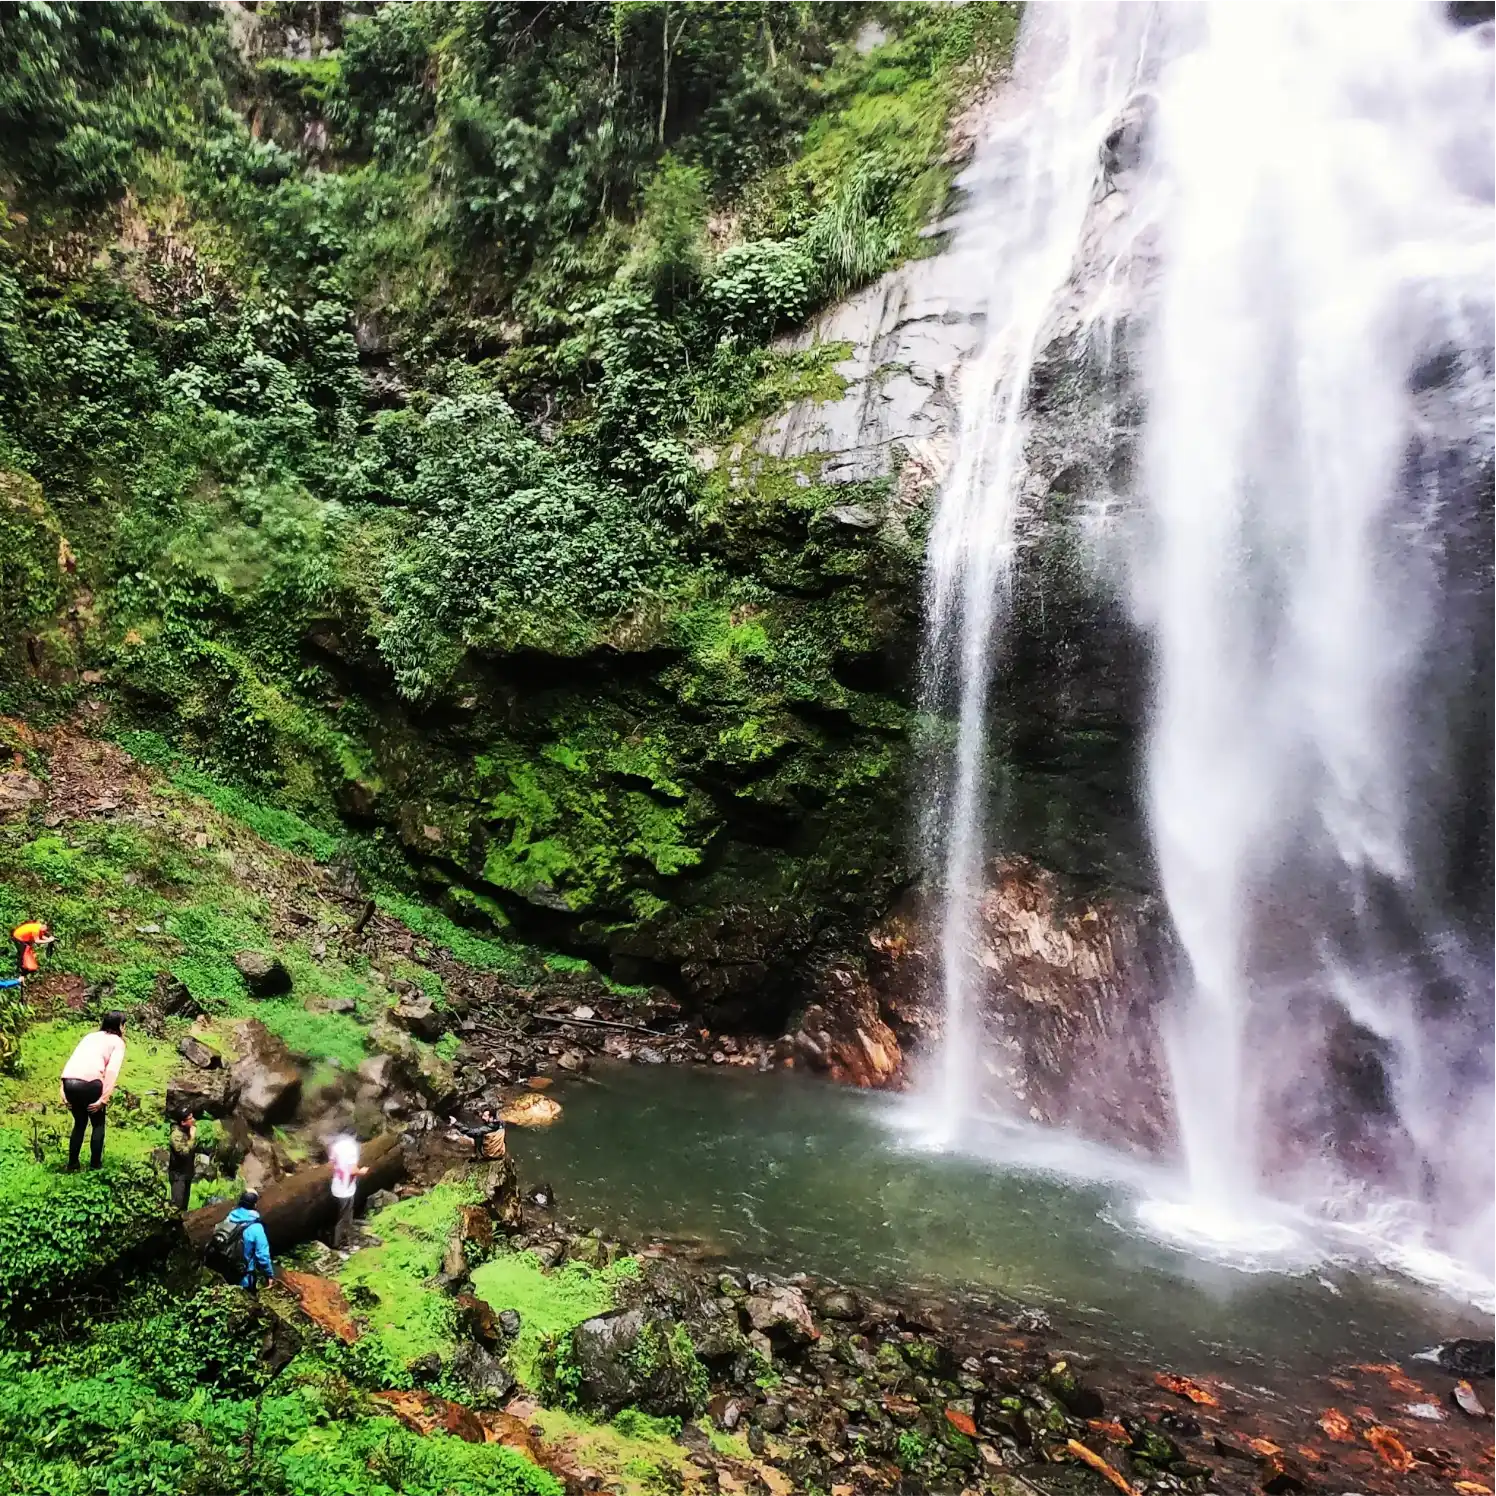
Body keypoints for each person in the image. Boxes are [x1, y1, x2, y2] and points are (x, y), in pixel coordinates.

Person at [59, 1011, 126, 1171]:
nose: (125, 1029)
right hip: (91, 1084)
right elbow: (111, 1072)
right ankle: (95, 1166)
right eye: (124, 1025)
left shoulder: (90, 1037)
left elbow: (73, 1060)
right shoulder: (117, 1042)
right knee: (98, 1124)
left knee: (79, 1123)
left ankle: (72, 1164)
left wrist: (63, 1087)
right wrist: (103, 1099)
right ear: (119, 1026)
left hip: (71, 1083)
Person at [226, 1190, 273, 1290]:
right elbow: (262, 1255)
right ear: (255, 1205)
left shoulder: (229, 1218)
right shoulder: (256, 1227)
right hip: (244, 1277)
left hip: (225, 1271)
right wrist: (269, 1275)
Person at [328, 1135, 368, 1249]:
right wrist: (362, 1172)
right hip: (347, 1189)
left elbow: (332, 1165)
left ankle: (347, 1241)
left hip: (337, 1186)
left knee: (345, 1214)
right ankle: (340, 1243)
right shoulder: (352, 1148)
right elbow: (353, 1170)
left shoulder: (335, 1146)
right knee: (345, 1216)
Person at [167, 1105, 196, 1211]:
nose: (193, 1120)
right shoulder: (176, 1136)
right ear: (183, 1122)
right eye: (190, 1119)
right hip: (178, 1176)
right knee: (176, 1206)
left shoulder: (186, 1130)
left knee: (184, 1205)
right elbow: (184, 1153)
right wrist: (192, 1138)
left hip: (187, 1173)